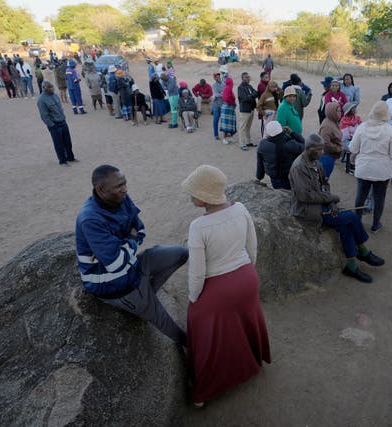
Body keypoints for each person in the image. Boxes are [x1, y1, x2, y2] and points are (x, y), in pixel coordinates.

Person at [181, 165, 271, 407]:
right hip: (246, 278)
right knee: (244, 321)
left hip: (219, 286)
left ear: (203, 196)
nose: (189, 195)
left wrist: (193, 298)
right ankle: (252, 360)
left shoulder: (198, 226)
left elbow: (197, 272)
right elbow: (252, 247)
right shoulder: (240, 209)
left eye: (193, 191)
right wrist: (246, 271)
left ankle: (203, 392)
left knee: (199, 323)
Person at [76, 165, 188, 347]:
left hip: (132, 266)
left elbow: (140, 230)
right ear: (101, 189)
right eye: (119, 186)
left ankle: (145, 296)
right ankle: (191, 344)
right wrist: (130, 237)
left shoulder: (121, 199)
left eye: (125, 183)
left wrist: (126, 244)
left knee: (182, 253)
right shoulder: (91, 219)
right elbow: (116, 265)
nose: (125, 189)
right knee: (167, 323)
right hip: (114, 283)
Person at [289, 135, 385, 282]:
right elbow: (305, 197)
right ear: (309, 149)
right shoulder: (298, 167)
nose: (322, 153)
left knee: (345, 226)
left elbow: (325, 184)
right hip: (307, 210)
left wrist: (332, 204)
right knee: (351, 217)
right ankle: (363, 251)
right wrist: (330, 199)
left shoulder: (316, 162)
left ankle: (351, 267)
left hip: (322, 204)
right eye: (319, 150)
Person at [349, 101, 392, 233]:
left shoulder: (362, 127)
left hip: (364, 168)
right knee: (379, 198)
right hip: (382, 170)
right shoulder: (390, 130)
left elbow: (352, 148)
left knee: (360, 196)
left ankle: (357, 223)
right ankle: (375, 224)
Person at [37, 80, 77, 166]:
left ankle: (70, 157)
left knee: (68, 142)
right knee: (59, 144)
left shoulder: (55, 95)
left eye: (52, 87)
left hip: (63, 121)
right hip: (55, 125)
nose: (52, 89)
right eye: (50, 88)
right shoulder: (41, 100)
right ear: (44, 88)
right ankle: (62, 161)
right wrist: (52, 125)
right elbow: (44, 116)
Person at [256, 121, 305, 189]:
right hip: (290, 175)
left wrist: (259, 176)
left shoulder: (263, 144)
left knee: (280, 193)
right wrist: (292, 133)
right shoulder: (290, 144)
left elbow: (260, 163)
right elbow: (304, 144)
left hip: (274, 177)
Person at [319, 102, 344, 178]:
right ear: (331, 111)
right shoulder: (327, 126)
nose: (340, 113)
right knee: (323, 178)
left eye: (340, 111)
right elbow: (325, 143)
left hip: (331, 156)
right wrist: (338, 148)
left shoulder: (333, 122)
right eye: (337, 111)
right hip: (326, 157)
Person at [237, 72, 259, 150]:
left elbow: (256, 93)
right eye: (246, 77)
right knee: (242, 128)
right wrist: (251, 96)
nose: (248, 78)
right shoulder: (240, 88)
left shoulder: (249, 86)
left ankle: (248, 142)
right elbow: (245, 98)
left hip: (251, 110)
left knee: (248, 127)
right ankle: (242, 144)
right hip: (245, 110)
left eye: (248, 77)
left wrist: (251, 96)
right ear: (242, 78)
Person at [340, 102, 362, 175]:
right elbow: (345, 136)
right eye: (353, 108)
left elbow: (362, 129)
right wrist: (355, 138)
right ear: (349, 110)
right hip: (346, 140)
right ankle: (350, 165)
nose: (355, 109)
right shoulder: (344, 121)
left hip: (356, 139)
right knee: (354, 148)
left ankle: (355, 163)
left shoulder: (357, 118)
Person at [219, 77, 237, 145]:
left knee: (231, 124)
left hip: (230, 109)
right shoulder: (228, 88)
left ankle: (230, 137)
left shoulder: (228, 88)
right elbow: (226, 99)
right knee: (226, 124)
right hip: (227, 108)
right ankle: (224, 138)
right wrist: (232, 103)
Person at [211, 72, 225, 140]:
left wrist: (220, 94)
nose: (218, 78)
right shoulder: (214, 85)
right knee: (216, 120)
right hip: (216, 105)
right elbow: (216, 94)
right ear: (214, 78)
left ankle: (225, 133)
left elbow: (226, 93)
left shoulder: (224, 84)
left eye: (218, 76)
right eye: (216, 77)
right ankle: (216, 134)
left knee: (224, 120)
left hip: (223, 104)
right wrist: (222, 94)